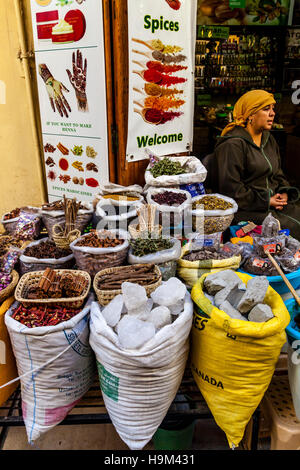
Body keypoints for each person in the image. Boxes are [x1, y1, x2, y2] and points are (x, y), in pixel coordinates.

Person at [207, 89, 300, 240]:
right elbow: (231, 190)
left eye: (272, 109)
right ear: (251, 114)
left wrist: (284, 193)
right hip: (246, 210)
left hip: (274, 204)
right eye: (266, 109)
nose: (272, 113)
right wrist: (266, 200)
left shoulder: (269, 140)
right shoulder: (233, 144)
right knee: (292, 227)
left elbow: (277, 173)